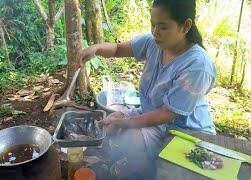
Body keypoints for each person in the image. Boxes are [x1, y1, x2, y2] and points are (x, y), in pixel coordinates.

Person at [80, 0, 216, 179]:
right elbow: (118, 49)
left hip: (185, 130)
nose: (155, 32)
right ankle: (134, 164)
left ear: (186, 26)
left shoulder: (197, 65)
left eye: (163, 27)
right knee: (111, 123)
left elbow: (167, 114)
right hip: (155, 117)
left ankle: (147, 172)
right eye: (153, 24)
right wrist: (96, 48)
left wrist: (127, 122)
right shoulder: (154, 43)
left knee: (129, 136)